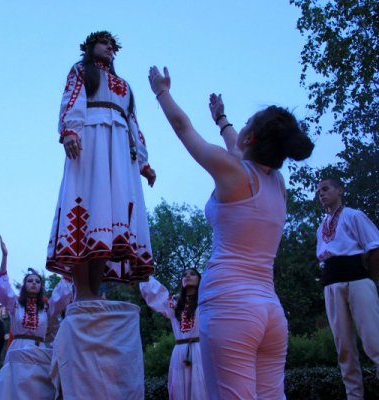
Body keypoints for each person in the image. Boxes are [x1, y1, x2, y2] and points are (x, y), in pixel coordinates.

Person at [148, 67, 314, 399]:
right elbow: (242, 150)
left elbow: (183, 129)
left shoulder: (234, 173)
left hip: (230, 307)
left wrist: (161, 92)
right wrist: (222, 120)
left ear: (250, 137)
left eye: (247, 123)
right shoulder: (277, 184)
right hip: (270, 314)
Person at [45, 31, 155, 399]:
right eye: (104, 43)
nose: (109, 48)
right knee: (85, 211)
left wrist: (144, 160)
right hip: (90, 141)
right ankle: (84, 292)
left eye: (113, 45)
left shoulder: (124, 86)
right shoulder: (81, 73)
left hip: (118, 150)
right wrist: (70, 133)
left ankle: (94, 291)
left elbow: (134, 122)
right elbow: (69, 102)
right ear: (90, 47)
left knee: (106, 222)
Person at [315, 177, 379, 400]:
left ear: (340, 190)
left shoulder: (354, 215)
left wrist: (369, 279)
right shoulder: (321, 226)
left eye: (325, 189)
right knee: (344, 348)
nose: (321, 194)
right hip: (331, 284)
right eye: (318, 192)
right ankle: (354, 396)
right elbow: (323, 259)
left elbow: (374, 247)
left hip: (357, 279)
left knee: (374, 340)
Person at [0, 237, 72, 400]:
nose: (33, 283)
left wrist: (69, 267)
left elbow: (62, 295)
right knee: (13, 390)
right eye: (30, 281)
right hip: (18, 347)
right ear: (25, 285)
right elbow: (2, 289)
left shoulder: (47, 308)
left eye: (37, 281)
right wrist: (4, 257)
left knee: (36, 391)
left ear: (41, 286)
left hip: (39, 350)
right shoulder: (15, 304)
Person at [140, 269, 208, 400]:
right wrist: (142, 271)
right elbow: (155, 293)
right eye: (184, 275)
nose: (187, 276)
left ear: (200, 280)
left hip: (200, 351)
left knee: (201, 387)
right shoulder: (174, 304)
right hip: (179, 352)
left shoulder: (206, 301)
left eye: (192, 274)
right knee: (179, 388)